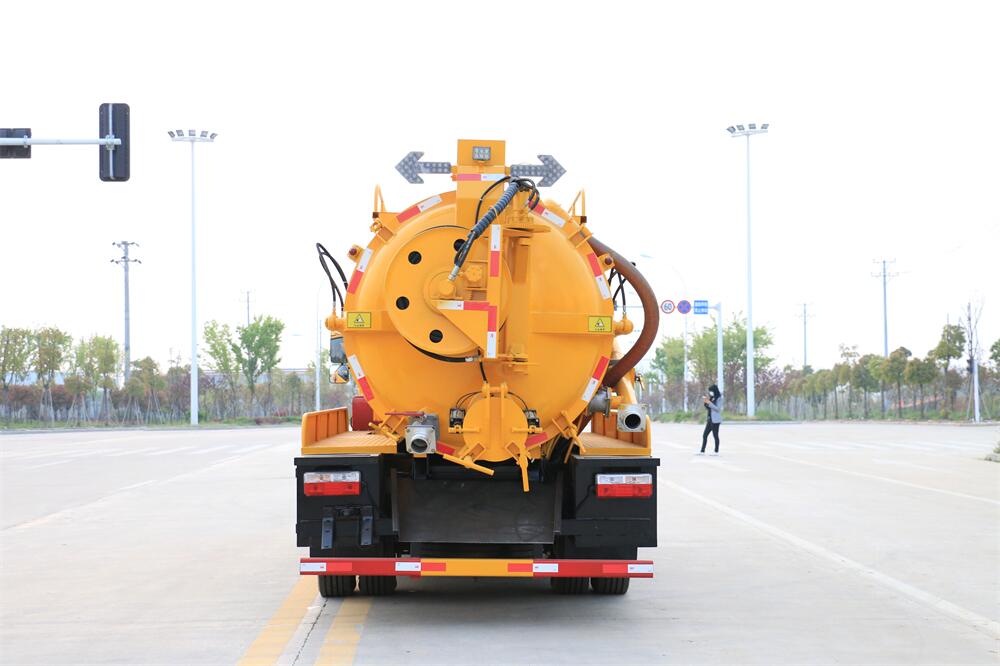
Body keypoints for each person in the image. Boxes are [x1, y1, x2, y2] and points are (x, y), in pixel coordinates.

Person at [698, 384, 723, 456]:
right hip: (709, 419)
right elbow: (709, 408)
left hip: (715, 420)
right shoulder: (712, 398)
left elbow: (717, 409)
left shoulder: (719, 398)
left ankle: (716, 451)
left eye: (711, 391)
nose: (710, 393)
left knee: (715, 436)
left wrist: (709, 403)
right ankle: (702, 451)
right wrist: (706, 402)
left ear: (714, 390)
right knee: (705, 435)